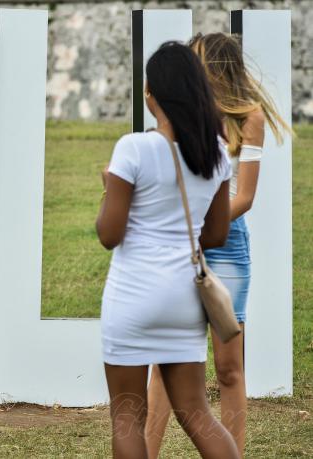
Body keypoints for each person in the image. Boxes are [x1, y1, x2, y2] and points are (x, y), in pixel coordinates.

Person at [145, 33, 293, 458]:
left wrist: (200, 225)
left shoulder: (251, 118)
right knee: (164, 363)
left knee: (229, 369)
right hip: (180, 243)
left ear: (215, 67)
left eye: (196, 63)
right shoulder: (183, 113)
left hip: (226, 248)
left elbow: (244, 198)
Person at [96, 41, 239, 458]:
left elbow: (110, 234)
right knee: (198, 415)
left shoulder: (134, 148)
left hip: (134, 295)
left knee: (127, 418)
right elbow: (215, 236)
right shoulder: (214, 152)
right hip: (184, 296)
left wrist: (110, 190)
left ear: (150, 93)